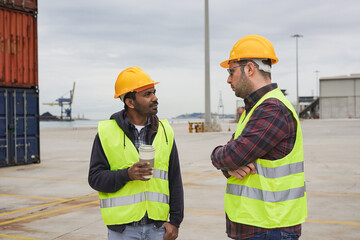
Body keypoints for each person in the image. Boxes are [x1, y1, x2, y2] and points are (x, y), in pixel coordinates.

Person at [211, 35, 307, 240]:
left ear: (250, 69)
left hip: (269, 227)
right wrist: (229, 166)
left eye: (231, 71)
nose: (228, 79)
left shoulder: (272, 109)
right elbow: (233, 160)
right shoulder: (253, 109)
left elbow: (231, 155)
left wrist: (221, 158)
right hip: (258, 225)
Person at [88, 66, 184, 240]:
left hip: (158, 228)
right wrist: (127, 174)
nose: (155, 98)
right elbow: (95, 178)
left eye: (154, 92)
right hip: (122, 231)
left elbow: (174, 178)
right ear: (130, 102)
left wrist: (176, 221)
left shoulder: (166, 131)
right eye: (147, 94)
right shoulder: (106, 132)